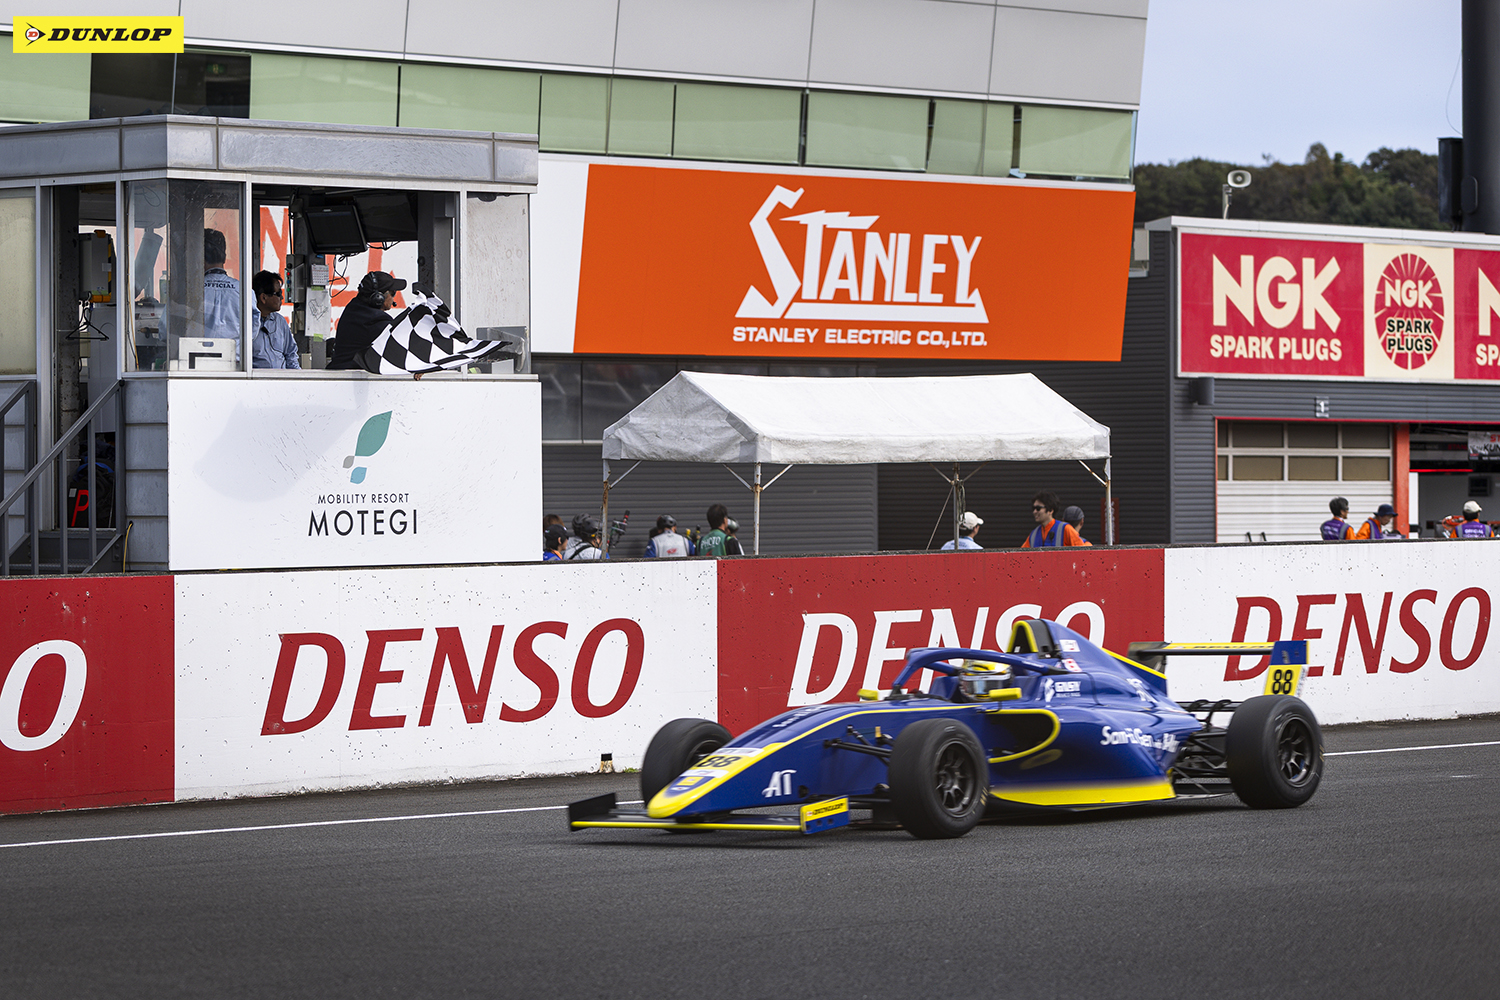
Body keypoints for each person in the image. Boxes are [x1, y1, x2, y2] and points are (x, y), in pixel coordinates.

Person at [329, 270, 405, 370]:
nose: (393, 298)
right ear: (379, 297)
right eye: (393, 293)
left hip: (342, 372)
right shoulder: (375, 319)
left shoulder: (353, 308)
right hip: (351, 375)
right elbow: (402, 346)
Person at [249, 271, 300, 369]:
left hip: (281, 377)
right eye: (278, 293)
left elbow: (291, 355)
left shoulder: (280, 322)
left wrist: (298, 375)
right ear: (263, 298)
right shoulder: (246, 322)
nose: (281, 297)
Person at [202, 228, 241, 343]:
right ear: (224, 255)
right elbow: (253, 328)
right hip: (235, 353)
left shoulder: (189, 291)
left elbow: (165, 331)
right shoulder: (242, 290)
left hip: (195, 353)